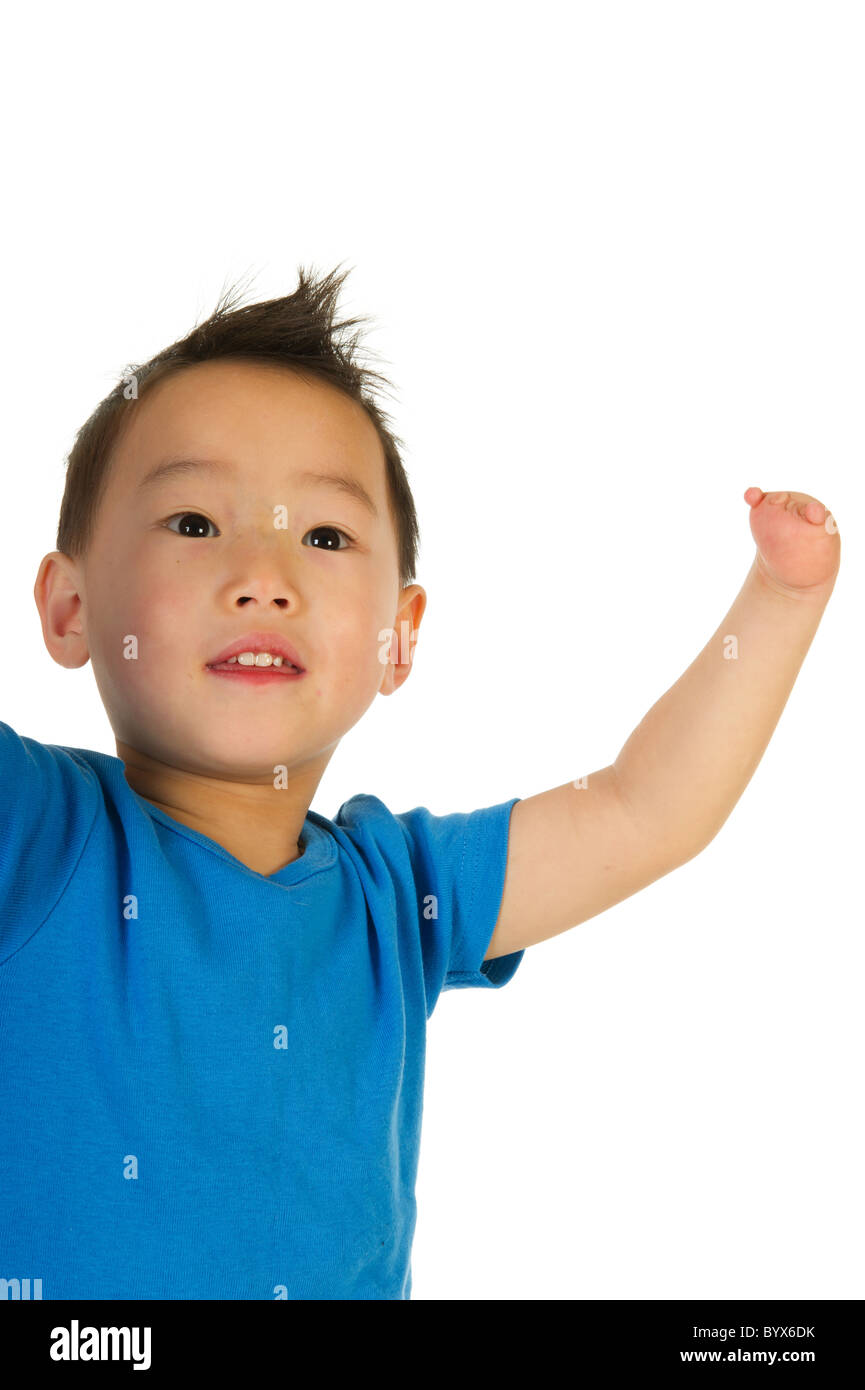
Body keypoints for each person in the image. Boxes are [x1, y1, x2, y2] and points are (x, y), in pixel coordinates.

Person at [0, 264, 840, 1300]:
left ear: (398, 638)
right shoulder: (40, 839)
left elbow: (644, 809)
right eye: (193, 523)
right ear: (70, 606)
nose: (263, 574)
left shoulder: (400, 894)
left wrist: (781, 596)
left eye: (323, 534)